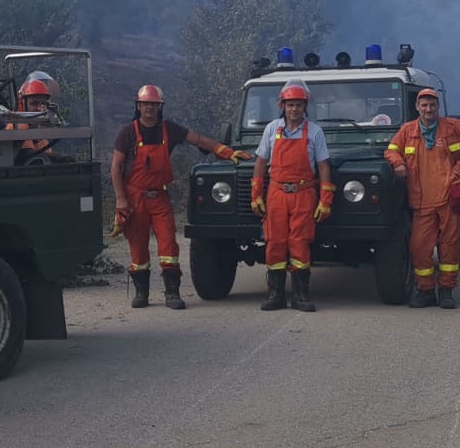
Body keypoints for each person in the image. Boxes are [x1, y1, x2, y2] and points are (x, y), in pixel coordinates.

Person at [111, 84, 238, 310]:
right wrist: (120, 200)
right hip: (134, 198)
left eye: (154, 105)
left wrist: (225, 151)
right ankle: (142, 294)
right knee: (137, 246)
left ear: (160, 107)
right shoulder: (127, 132)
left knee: (169, 244)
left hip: (159, 196)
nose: (149, 108)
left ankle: (172, 293)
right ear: (138, 106)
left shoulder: (169, 129)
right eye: (145, 104)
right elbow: (116, 167)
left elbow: (197, 140)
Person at [384, 88, 460, 308]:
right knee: (420, 248)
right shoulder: (407, 130)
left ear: (438, 106)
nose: (428, 109)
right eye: (424, 105)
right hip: (422, 201)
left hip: (450, 199)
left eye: (432, 105)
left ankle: (446, 291)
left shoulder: (453, 127)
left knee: (450, 247)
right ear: (417, 107)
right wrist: (399, 163)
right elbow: (391, 150)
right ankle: (425, 291)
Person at [250, 82, 335, 312]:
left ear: (305, 107)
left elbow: (323, 165)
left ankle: (300, 296)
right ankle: (275, 295)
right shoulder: (271, 129)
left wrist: (325, 200)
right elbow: (260, 162)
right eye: (290, 105)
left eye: (298, 105)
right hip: (276, 193)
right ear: (282, 106)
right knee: (275, 242)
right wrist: (256, 194)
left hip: (304, 193)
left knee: (299, 243)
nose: (294, 109)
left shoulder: (315, 131)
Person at [12, 71, 63, 163]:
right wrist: (57, 158)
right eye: (34, 103)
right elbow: (27, 157)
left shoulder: (42, 138)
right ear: (21, 104)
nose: (39, 108)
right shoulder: (16, 127)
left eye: (43, 103)